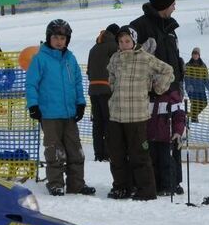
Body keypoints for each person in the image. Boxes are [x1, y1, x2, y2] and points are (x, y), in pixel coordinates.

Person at [26, 19, 95, 196]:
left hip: (69, 113)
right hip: (49, 114)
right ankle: (55, 183)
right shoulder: (40, 59)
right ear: (49, 38)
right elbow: (31, 84)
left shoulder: (70, 59)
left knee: (75, 151)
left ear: (67, 40)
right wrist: (33, 105)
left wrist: (80, 103)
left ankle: (76, 184)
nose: (59, 41)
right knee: (54, 151)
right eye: (55, 37)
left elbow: (78, 83)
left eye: (63, 38)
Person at [106, 26, 174, 201]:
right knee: (116, 154)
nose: (124, 44)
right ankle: (121, 187)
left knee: (139, 155)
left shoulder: (146, 58)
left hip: (136, 116)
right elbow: (111, 77)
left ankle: (146, 189)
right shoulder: (115, 58)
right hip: (116, 115)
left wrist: (157, 88)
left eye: (127, 41)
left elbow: (168, 71)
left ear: (134, 41)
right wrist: (113, 90)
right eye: (121, 41)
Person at [130, 0, 185, 193]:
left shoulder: (170, 28)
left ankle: (173, 180)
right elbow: (132, 58)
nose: (174, 7)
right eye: (172, 4)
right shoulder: (139, 27)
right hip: (151, 92)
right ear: (163, 6)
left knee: (174, 136)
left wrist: (180, 72)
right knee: (154, 138)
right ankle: (155, 180)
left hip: (173, 89)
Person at [87, 24, 120, 162]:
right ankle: (108, 153)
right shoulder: (114, 46)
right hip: (107, 89)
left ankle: (98, 154)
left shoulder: (94, 48)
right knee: (109, 123)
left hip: (93, 90)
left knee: (97, 124)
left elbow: (89, 71)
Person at [147, 87, 186, 196]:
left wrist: (178, 131)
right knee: (152, 161)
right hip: (150, 136)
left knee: (167, 162)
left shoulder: (172, 95)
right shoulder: (147, 94)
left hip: (166, 137)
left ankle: (169, 186)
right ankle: (156, 185)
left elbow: (179, 116)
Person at [184, 47, 209, 123]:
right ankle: (194, 120)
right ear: (192, 55)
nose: (195, 55)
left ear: (199, 55)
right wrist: (188, 86)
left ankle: (193, 116)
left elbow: (206, 77)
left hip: (201, 88)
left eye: (196, 54)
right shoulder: (188, 65)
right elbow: (186, 77)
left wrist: (208, 87)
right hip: (192, 89)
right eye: (194, 54)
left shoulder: (203, 65)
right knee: (195, 103)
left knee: (204, 103)